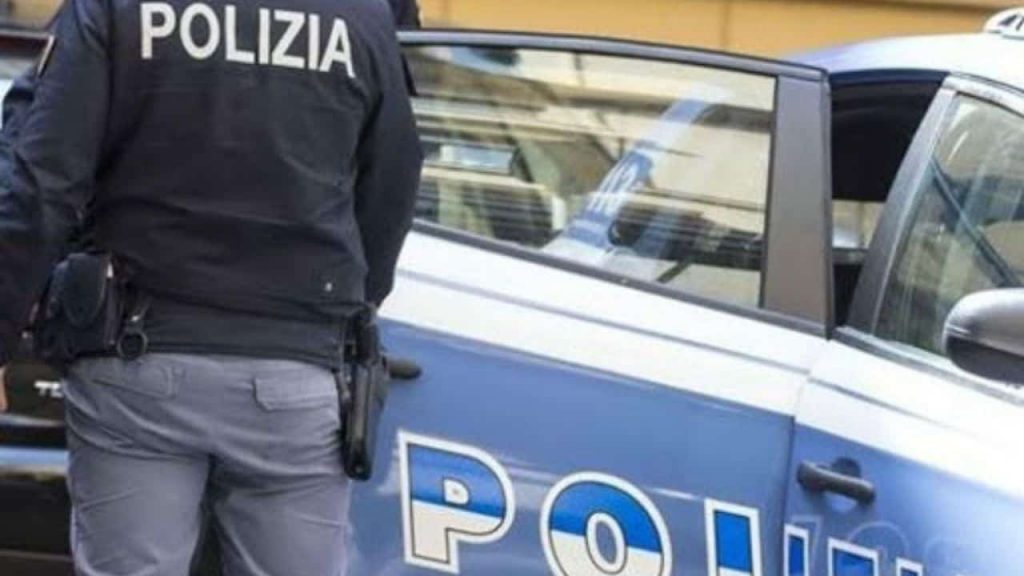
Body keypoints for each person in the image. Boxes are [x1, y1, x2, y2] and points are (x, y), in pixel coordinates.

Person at [0, 0, 422, 572]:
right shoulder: (361, 17)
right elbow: (392, 187)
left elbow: (40, 184)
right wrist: (348, 310)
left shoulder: (115, 9)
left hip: (137, 363)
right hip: (293, 374)